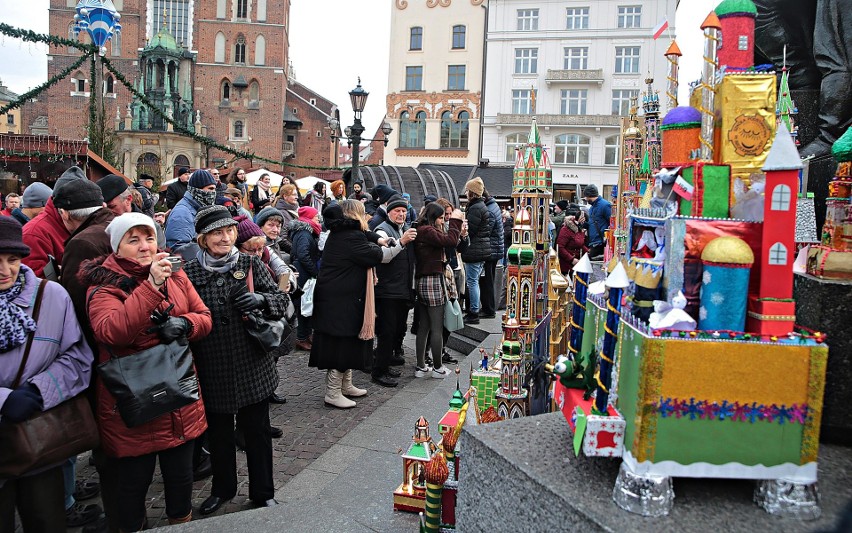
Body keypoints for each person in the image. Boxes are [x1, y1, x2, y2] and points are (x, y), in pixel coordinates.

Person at [83, 213, 213, 531]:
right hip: (133, 405)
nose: (145, 246)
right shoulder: (103, 286)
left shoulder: (175, 273)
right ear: (117, 247)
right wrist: (152, 285)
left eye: (150, 238)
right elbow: (113, 333)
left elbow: (204, 316)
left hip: (179, 398)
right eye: (134, 239)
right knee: (131, 489)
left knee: (181, 484)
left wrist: (185, 324)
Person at [183, 205, 288, 514]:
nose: (225, 237)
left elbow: (281, 302)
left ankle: (262, 492)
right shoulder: (188, 272)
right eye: (217, 232)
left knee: (257, 433)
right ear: (203, 238)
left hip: (251, 364)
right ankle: (223, 489)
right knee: (219, 435)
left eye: (229, 231)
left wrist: (261, 300)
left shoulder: (249, 264)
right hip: (211, 365)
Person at [0, 216, 94, 533]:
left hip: (38, 436)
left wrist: (41, 390)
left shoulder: (50, 296)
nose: (5, 269)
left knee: (46, 520)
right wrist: (3, 400)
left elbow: (78, 357)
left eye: (12, 259)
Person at [309, 200, 391, 408]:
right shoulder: (350, 236)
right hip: (339, 300)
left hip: (339, 298)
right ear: (357, 215)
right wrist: (399, 243)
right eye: (364, 214)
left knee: (348, 341)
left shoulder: (344, 231)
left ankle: (346, 385)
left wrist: (378, 239)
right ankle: (333, 391)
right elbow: (374, 256)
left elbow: (365, 236)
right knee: (340, 345)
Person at [413, 202, 463, 378]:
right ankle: (438, 368)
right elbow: (450, 241)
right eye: (441, 218)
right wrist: (457, 221)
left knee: (424, 326)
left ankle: (420, 367)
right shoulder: (427, 230)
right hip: (432, 280)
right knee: (436, 327)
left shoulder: (421, 229)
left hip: (423, 280)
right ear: (433, 217)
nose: (443, 221)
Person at [372, 195, 418, 387]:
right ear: (389, 212)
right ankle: (378, 372)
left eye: (403, 211)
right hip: (387, 290)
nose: (401, 214)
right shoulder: (382, 230)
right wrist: (402, 241)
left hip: (402, 289)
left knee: (397, 329)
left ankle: (386, 363)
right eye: (397, 211)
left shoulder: (405, 228)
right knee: (386, 332)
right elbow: (383, 256)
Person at [22, 166, 88, 277]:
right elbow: (35, 284)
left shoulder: (84, 222)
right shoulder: (33, 234)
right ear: (64, 212)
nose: (84, 222)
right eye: (79, 216)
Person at [460, 177, 494, 325]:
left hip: (474, 250)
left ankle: (473, 312)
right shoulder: (481, 206)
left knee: (472, 282)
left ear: (472, 193)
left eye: (468, 190)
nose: (466, 192)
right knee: (475, 281)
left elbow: (471, 231)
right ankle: (474, 309)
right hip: (480, 249)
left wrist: (463, 233)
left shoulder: (475, 208)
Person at [289, 206, 321, 351]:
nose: (318, 219)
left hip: (304, 272)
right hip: (304, 274)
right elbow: (303, 254)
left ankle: (306, 335)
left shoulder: (305, 231)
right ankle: (301, 338)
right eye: (315, 217)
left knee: (306, 305)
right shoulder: (304, 232)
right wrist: (314, 270)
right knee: (304, 306)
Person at [165, 169, 217, 252]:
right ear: (197, 190)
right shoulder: (182, 213)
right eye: (210, 189)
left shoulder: (201, 209)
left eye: (214, 189)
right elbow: (179, 249)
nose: (213, 193)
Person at [480, 190, 504, 320]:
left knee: (486, 280)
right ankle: (489, 308)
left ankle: (488, 309)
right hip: (495, 249)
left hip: (490, 250)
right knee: (489, 279)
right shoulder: (493, 206)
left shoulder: (488, 211)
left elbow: (485, 232)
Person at [556, 204, 588, 276]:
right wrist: (571, 259)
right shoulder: (566, 229)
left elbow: (580, 244)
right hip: (566, 265)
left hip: (576, 263)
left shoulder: (580, 228)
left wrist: (588, 253)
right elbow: (560, 247)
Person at [583, 185, 611, 260]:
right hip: (594, 242)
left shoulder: (605, 205)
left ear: (589, 195)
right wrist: (583, 224)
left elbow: (611, 223)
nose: (585, 199)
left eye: (586, 196)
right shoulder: (592, 208)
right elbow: (591, 224)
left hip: (601, 243)